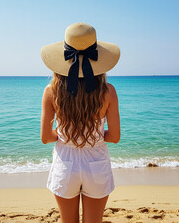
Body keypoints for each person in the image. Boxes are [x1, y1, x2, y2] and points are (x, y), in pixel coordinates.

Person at [40, 22, 121, 223]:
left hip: (65, 163)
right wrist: (93, 136)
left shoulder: (51, 92)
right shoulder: (108, 91)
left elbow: (45, 138)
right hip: (97, 162)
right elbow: (115, 137)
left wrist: (64, 134)